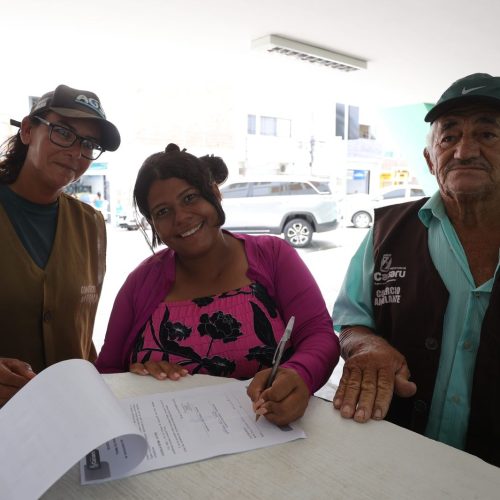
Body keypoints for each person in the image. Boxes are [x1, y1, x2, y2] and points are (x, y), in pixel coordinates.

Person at [96, 143, 339, 425]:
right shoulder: (139, 284)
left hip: (270, 438)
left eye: (189, 198)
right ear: (153, 224)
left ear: (214, 193)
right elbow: (108, 372)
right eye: (163, 212)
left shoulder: (273, 256)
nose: (181, 217)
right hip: (174, 446)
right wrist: (138, 379)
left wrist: (300, 373)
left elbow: (319, 334)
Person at [332, 73, 500, 466]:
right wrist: (366, 344)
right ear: (430, 158)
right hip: (395, 460)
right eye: (449, 137)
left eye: (488, 135)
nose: (463, 151)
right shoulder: (386, 232)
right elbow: (351, 321)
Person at [0, 84, 120, 405]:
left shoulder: (91, 224)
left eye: (88, 143)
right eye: (64, 133)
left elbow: (81, 331)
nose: (77, 152)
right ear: (27, 130)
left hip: (70, 414)